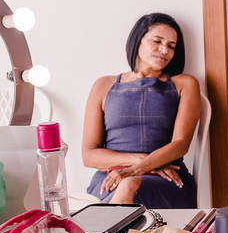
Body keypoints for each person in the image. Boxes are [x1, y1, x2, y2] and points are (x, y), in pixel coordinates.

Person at [82, 13, 201, 208]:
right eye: (157, 41)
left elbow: (181, 144)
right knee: (124, 185)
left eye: (171, 46)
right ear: (137, 40)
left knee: (128, 185)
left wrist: (136, 171)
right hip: (110, 178)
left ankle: (106, 228)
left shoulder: (184, 84)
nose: (165, 50)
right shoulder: (103, 85)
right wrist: (142, 162)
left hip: (168, 179)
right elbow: (89, 155)